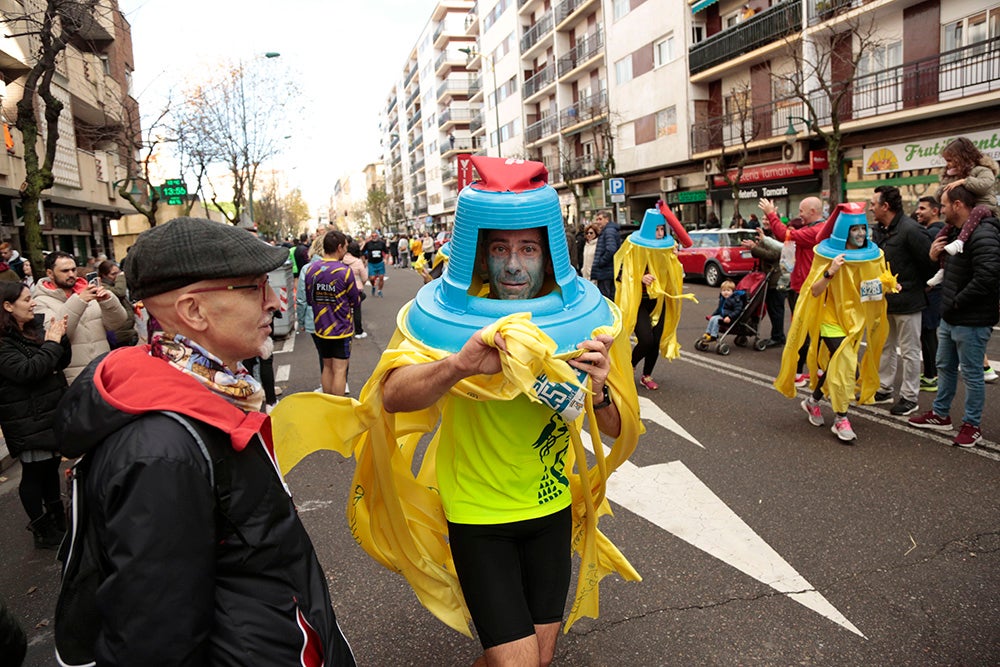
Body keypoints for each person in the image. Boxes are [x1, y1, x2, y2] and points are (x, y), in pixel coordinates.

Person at [271, 156, 641, 666]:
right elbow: (391, 395)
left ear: (550, 255)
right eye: (501, 249)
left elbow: (618, 427)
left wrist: (599, 392)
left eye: (529, 249)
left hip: (550, 509)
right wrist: (459, 366)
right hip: (477, 516)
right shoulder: (446, 322)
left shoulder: (585, 322)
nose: (514, 264)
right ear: (482, 258)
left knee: (540, 657)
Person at [52, 217, 355, 665]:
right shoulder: (163, 450)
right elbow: (155, 643)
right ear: (194, 311)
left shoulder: (211, 390)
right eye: (254, 287)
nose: (275, 301)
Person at [777, 204, 897, 444]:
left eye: (863, 229)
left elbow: (870, 287)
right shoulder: (828, 256)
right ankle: (841, 418)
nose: (861, 234)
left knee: (835, 364)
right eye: (855, 230)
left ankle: (812, 401)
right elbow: (814, 291)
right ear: (844, 232)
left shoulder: (872, 256)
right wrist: (830, 272)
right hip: (830, 321)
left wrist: (889, 284)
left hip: (855, 322)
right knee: (845, 363)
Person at [909, 186, 1000, 447]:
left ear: (958, 205)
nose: (942, 210)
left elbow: (987, 277)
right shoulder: (956, 232)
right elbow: (950, 270)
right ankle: (940, 414)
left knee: (972, 374)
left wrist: (958, 301)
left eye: (945, 205)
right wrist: (934, 256)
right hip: (951, 315)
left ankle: (972, 425)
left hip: (971, 319)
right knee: (945, 366)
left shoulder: (983, 233)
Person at [0, 282, 70, 549]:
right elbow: (28, 371)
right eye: (27, 299)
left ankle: (56, 518)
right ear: (8, 306)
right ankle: (41, 529)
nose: (33, 303)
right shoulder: (3, 343)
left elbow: (56, 361)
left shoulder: (31, 330)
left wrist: (59, 338)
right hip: (26, 419)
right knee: (33, 472)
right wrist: (51, 343)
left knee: (50, 467)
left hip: (47, 414)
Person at [869, 185, 935, 416]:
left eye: (873, 204)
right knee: (885, 347)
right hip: (884, 301)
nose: (871, 207)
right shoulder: (879, 230)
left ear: (885, 206)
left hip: (909, 301)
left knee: (909, 350)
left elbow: (929, 263)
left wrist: (914, 286)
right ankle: (884, 388)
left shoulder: (910, 230)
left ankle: (909, 397)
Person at [615, 204, 694, 391]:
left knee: (655, 342)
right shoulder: (633, 247)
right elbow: (620, 273)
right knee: (646, 340)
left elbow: (678, 276)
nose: (660, 232)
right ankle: (630, 364)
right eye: (657, 229)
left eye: (661, 229)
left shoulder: (668, 247)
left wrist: (674, 260)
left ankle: (647, 375)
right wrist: (639, 278)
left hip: (659, 300)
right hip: (639, 301)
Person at [32, 251, 128, 383]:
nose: (71, 274)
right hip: (74, 377)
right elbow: (58, 335)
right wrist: (79, 301)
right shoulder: (40, 301)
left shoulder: (85, 291)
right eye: (65, 271)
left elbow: (117, 323)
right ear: (50, 273)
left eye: (73, 270)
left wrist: (108, 301)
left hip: (103, 369)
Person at [760, 196, 826, 386]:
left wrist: (771, 215)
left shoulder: (815, 231)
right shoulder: (814, 229)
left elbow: (785, 235)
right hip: (806, 287)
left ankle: (801, 373)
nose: (799, 214)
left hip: (807, 289)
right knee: (813, 331)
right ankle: (816, 370)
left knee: (803, 331)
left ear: (813, 212)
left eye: (801, 211)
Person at [926, 137, 999, 287]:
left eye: (951, 160)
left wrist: (965, 181)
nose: (948, 164)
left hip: (984, 208)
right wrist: (934, 256)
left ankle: (960, 241)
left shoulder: (981, 170)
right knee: (943, 233)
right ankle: (941, 268)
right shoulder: (953, 176)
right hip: (955, 303)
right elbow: (942, 194)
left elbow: (985, 185)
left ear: (962, 157)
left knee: (977, 212)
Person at [304, 230, 361, 396]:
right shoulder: (344, 271)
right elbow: (355, 300)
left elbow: (309, 299)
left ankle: (328, 405)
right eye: (345, 247)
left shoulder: (311, 270)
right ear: (339, 247)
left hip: (321, 328)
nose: (346, 250)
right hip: (341, 329)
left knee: (327, 367)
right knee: (340, 370)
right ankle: (338, 408)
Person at [914, 196, 945, 392]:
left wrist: (927, 284)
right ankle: (931, 372)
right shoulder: (936, 231)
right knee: (928, 333)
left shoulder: (935, 232)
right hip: (934, 289)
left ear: (935, 211)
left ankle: (931, 375)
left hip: (932, 290)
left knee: (928, 332)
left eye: (922, 208)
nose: (918, 211)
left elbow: (930, 263)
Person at [742, 226, 787, 347]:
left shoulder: (777, 237)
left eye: (767, 219)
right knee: (769, 308)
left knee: (776, 309)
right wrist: (754, 247)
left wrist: (755, 247)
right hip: (766, 278)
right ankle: (777, 335)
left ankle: (778, 337)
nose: (765, 222)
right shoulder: (763, 236)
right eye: (764, 219)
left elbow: (773, 255)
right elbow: (759, 255)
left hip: (776, 279)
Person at [97, 260, 138, 349]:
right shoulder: (102, 287)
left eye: (118, 272)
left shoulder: (113, 284)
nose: (117, 276)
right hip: (118, 335)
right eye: (113, 274)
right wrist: (121, 278)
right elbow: (120, 292)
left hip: (128, 332)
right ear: (104, 275)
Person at [590, 209, 620, 300]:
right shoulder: (608, 230)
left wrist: (601, 262)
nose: (597, 222)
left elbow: (611, 249)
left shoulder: (609, 231)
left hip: (606, 272)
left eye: (600, 219)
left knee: (606, 298)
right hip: (608, 271)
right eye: (597, 219)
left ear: (607, 219)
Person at [343, 240, 369, 339]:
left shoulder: (341, 260)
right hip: (356, 289)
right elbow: (364, 277)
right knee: (357, 310)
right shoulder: (357, 262)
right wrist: (361, 284)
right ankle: (358, 331)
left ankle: (345, 330)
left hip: (342, 288)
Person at [362, 230, 388, 297]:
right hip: (371, 263)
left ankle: (379, 290)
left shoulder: (382, 243)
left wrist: (385, 259)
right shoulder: (368, 244)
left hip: (380, 262)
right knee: (372, 278)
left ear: (378, 236)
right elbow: (362, 252)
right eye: (372, 236)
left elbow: (387, 252)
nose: (374, 237)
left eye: (375, 236)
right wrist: (364, 261)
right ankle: (373, 285)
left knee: (381, 277)